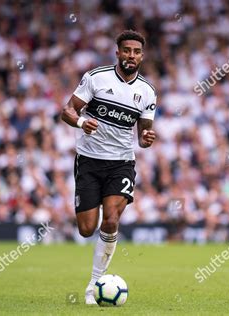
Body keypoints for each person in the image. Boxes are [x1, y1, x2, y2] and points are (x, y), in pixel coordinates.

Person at [61, 30, 157, 305]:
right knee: (86, 229)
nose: (131, 55)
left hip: (121, 163)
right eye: (126, 50)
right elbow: (67, 110)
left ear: (142, 55)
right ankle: (96, 277)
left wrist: (147, 139)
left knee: (112, 219)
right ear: (118, 52)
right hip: (89, 161)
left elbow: (143, 134)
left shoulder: (147, 92)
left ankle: (94, 284)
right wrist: (80, 122)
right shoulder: (96, 78)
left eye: (136, 51)